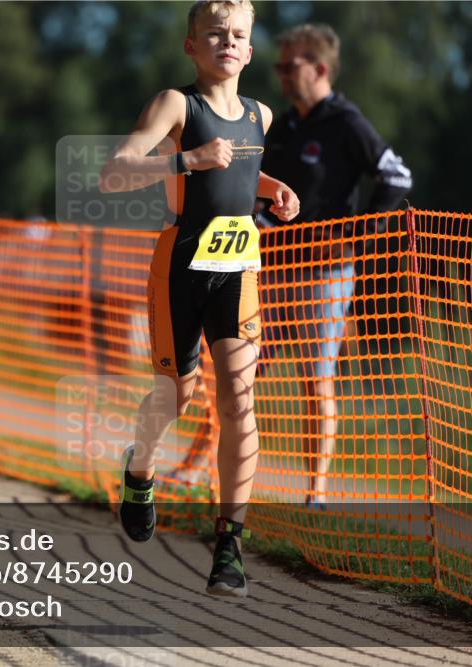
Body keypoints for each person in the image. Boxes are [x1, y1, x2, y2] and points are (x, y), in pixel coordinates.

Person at [99, 0, 299, 597]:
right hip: (179, 267)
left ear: (251, 50)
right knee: (175, 396)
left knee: (239, 399)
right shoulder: (175, 105)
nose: (227, 43)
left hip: (237, 269)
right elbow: (114, 172)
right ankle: (141, 469)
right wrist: (186, 158)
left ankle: (230, 545)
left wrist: (275, 190)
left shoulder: (261, 115)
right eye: (214, 34)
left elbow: (239, 175)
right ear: (191, 46)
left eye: (237, 35)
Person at [256, 24, 412, 508]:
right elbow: (261, 189)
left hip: (325, 275)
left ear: (320, 68)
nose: (282, 74)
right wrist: (258, 219)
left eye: (290, 66)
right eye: (279, 66)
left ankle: (315, 494)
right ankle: (199, 468)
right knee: (240, 369)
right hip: (271, 269)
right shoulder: (283, 126)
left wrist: (353, 237)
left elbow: (396, 177)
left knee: (315, 379)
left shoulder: (346, 122)